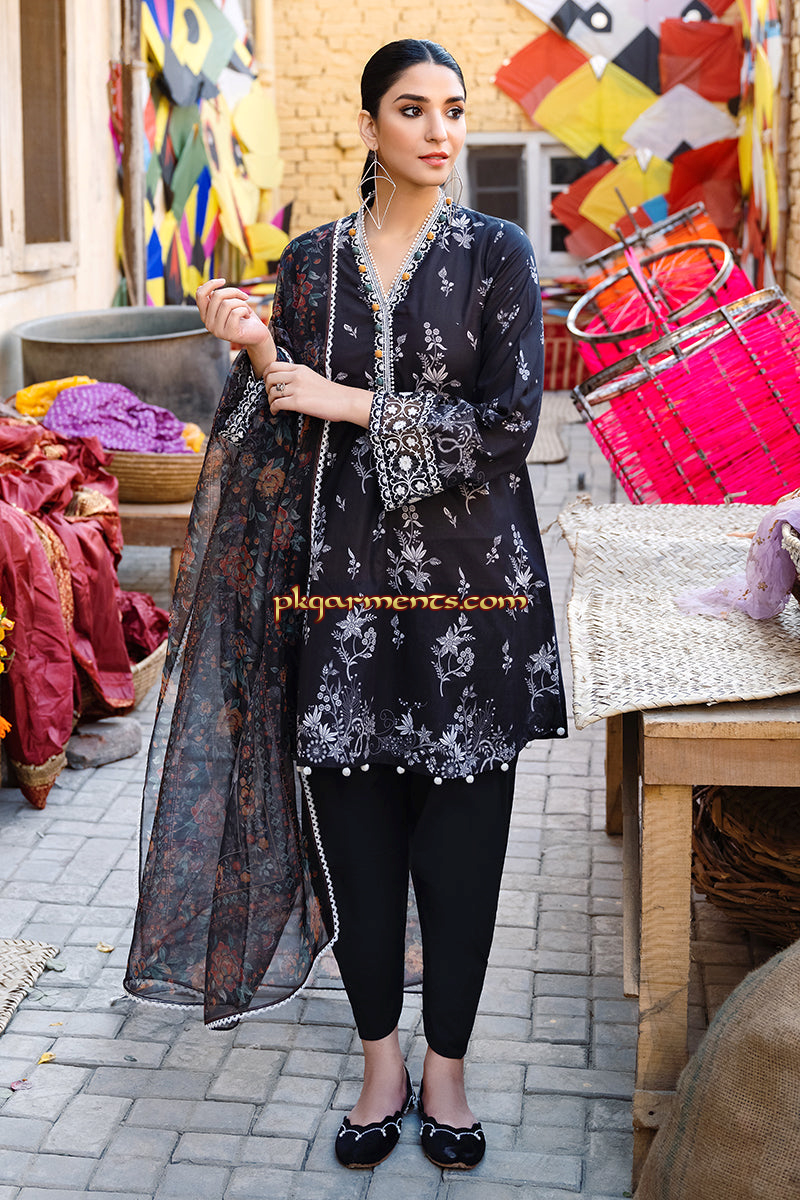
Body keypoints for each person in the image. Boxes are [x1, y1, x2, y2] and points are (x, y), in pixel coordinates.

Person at [125, 38, 567, 1173]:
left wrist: (350, 401)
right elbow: (281, 428)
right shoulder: (312, 264)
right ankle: (381, 1066)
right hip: (340, 604)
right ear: (369, 126)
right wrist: (258, 349)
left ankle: (446, 1071)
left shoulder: (497, 255)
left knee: (459, 860)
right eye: (411, 109)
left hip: (473, 605)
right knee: (359, 854)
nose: (438, 129)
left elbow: (508, 428)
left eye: (453, 109)